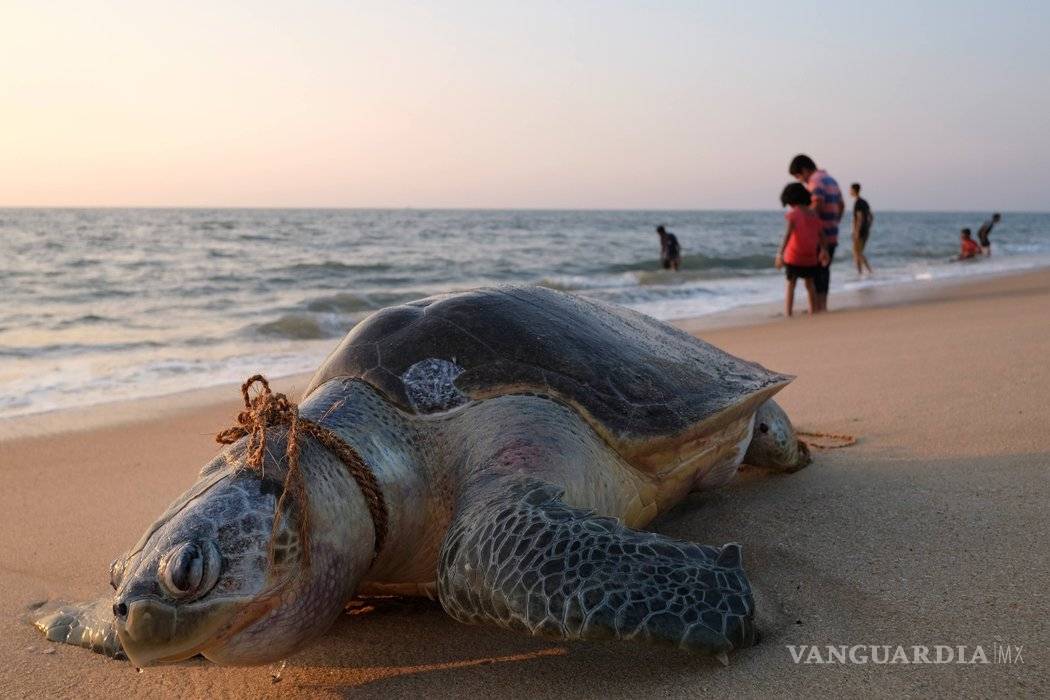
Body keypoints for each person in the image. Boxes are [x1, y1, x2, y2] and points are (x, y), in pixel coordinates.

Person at [789, 154, 843, 312]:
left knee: (816, 272)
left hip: (820, 235)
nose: (801, 181)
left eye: (799, 176)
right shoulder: (830, 179)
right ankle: (822, 305)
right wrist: (835, 222)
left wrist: (802, 219)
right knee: (824, 270)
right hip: (832, 232)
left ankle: (818, 307)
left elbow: (816, 205)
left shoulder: (815, 181)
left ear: (805, 170)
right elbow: (841, 204)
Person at [775, 183, 828, 317]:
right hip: (810, 257)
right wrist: (824, 251)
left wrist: (780, 254)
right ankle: (813, 311)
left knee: (791, 285)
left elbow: (787, 235)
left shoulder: (793, 215)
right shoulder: (814, 215)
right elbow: (822, 236)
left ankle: (788, 313)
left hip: (793, 256)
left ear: (791, 200)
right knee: (810, 286)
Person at [849, 183, 874, 276]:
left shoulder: (858, 202)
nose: (849, 192)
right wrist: (868, 227)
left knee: (857, 253)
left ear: (854, 190)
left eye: (850, 190)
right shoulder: (864, 202)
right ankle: (867, 271)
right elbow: (871, 216)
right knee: (859, 252)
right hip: (865, 231)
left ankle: (862, 272)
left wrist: (856, 232)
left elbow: (860, 218)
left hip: (860, 231)